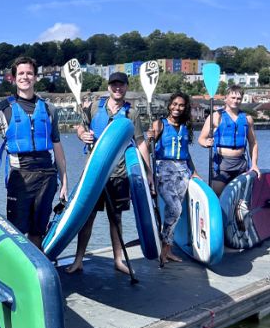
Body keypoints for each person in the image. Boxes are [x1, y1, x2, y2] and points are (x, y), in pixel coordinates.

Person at [0, 56, 68, 249]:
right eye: (21, 73)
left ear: (35, 77)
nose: (25, 77)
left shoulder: (49, 109)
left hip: (47, 176)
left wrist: (64, 181)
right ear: (13, 78)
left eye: (29, 73)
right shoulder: (3, 107)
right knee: (17, 232)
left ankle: (36, 273)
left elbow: (57, 146)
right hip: (20, 176)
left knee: (38, 231)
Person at [66, 71, 152, 275]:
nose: (117, 88)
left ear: (126, 87)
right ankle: (79, 259)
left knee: (116, 218)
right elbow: (80, 128)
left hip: (119, 173)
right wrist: (82, 135)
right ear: (108, 87)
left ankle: (118, 260)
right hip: (94, 175)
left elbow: (140, 142)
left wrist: (148, 172)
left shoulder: (132, 113)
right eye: (114, 84)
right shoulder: (95, 107)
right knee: (87, 217)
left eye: (121, 85)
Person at [148, 92, 200, 263]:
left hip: (183, 171)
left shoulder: (185, 126)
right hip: (164, 170)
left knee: (173, 212)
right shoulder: (160, 124)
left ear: (185, 108)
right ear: (170, 105)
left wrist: (194, 171)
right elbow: (148, 149)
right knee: (176, 208)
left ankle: (167, 250)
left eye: (181, 105)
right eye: (175, 104)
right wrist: (150, 139)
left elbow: (186, 153)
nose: (177, 108)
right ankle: (164, 248)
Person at [198, 84, 260, 196]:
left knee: (240, 200)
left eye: (238, 98)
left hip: (241, 164)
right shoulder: (215, 116)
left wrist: (254, 164)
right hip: (221, 164)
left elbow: (253, 143)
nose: (235, 101)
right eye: (233, 97)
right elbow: (201, 139)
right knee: (218, 197)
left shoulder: (247, 119)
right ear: (225, 98)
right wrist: (206, 143)